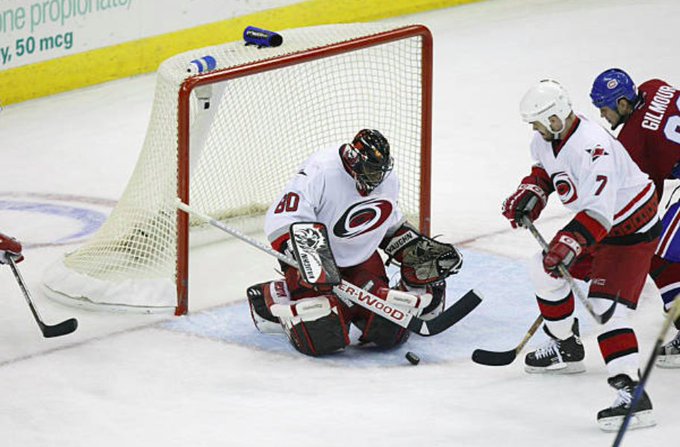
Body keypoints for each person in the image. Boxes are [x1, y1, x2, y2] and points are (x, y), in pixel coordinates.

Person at [501, 80, 660, 431]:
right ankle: (565, 346)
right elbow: (545, 170)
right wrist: (531, 193)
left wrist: (570, 243)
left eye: (540, 122)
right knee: (542, 271)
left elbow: (600, 214)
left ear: (556, 118)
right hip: (597, 226)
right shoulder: (547, 139)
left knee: (607, 309)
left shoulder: (594, 147)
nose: (536, 129)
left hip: (630, 229)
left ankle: (632, 394)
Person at [246, 129, 462, 356]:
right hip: (314, 265)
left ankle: (368, 303)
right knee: (321, 334)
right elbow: (281, 219)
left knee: (389, 332)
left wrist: (412, 249)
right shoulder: (321, 170)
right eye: (370, 170)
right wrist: (312, 260)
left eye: (379, 171)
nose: (376, 178)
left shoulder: (387, 180)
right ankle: (270, 298)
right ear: (353, 160)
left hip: (361, 260)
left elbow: (387, 223)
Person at [590, 69, 680, 368]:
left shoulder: (632, 140)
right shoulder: (654, 86)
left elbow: (644, 203)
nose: (604, 116)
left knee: (655, 248)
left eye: (606, 109)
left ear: (624, 104)